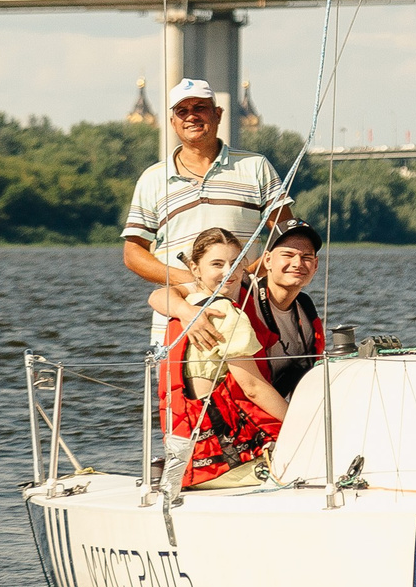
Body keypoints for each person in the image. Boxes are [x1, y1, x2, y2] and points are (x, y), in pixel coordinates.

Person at [122, 78, 291, 294]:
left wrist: (244, 277)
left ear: (218, 114)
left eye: (200, 108)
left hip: (245, 312)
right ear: (173, 122)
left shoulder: (255, 167)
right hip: (178, 316)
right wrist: (190, 280)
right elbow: (133, 252)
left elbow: (287, 234)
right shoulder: (152, 178)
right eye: (182, 111)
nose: (191, 116)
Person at [156, 227, 287, 489]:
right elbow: (252, 389)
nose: (229, 271)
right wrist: (302, 422)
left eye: (236, 263)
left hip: (190, 462)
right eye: (217, 264)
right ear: (195, 268)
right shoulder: (225, 313)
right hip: (232, 463)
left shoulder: (185, 311)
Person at [240, 220, 326, 395]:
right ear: (268, 260)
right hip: (237, 411)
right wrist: (184, 310)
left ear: (315, 265)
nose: (297, 263)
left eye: (306, 257)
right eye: (288, 255)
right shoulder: (242, 292)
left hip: (280, 408)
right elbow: (178, 293)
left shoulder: (306, 310)